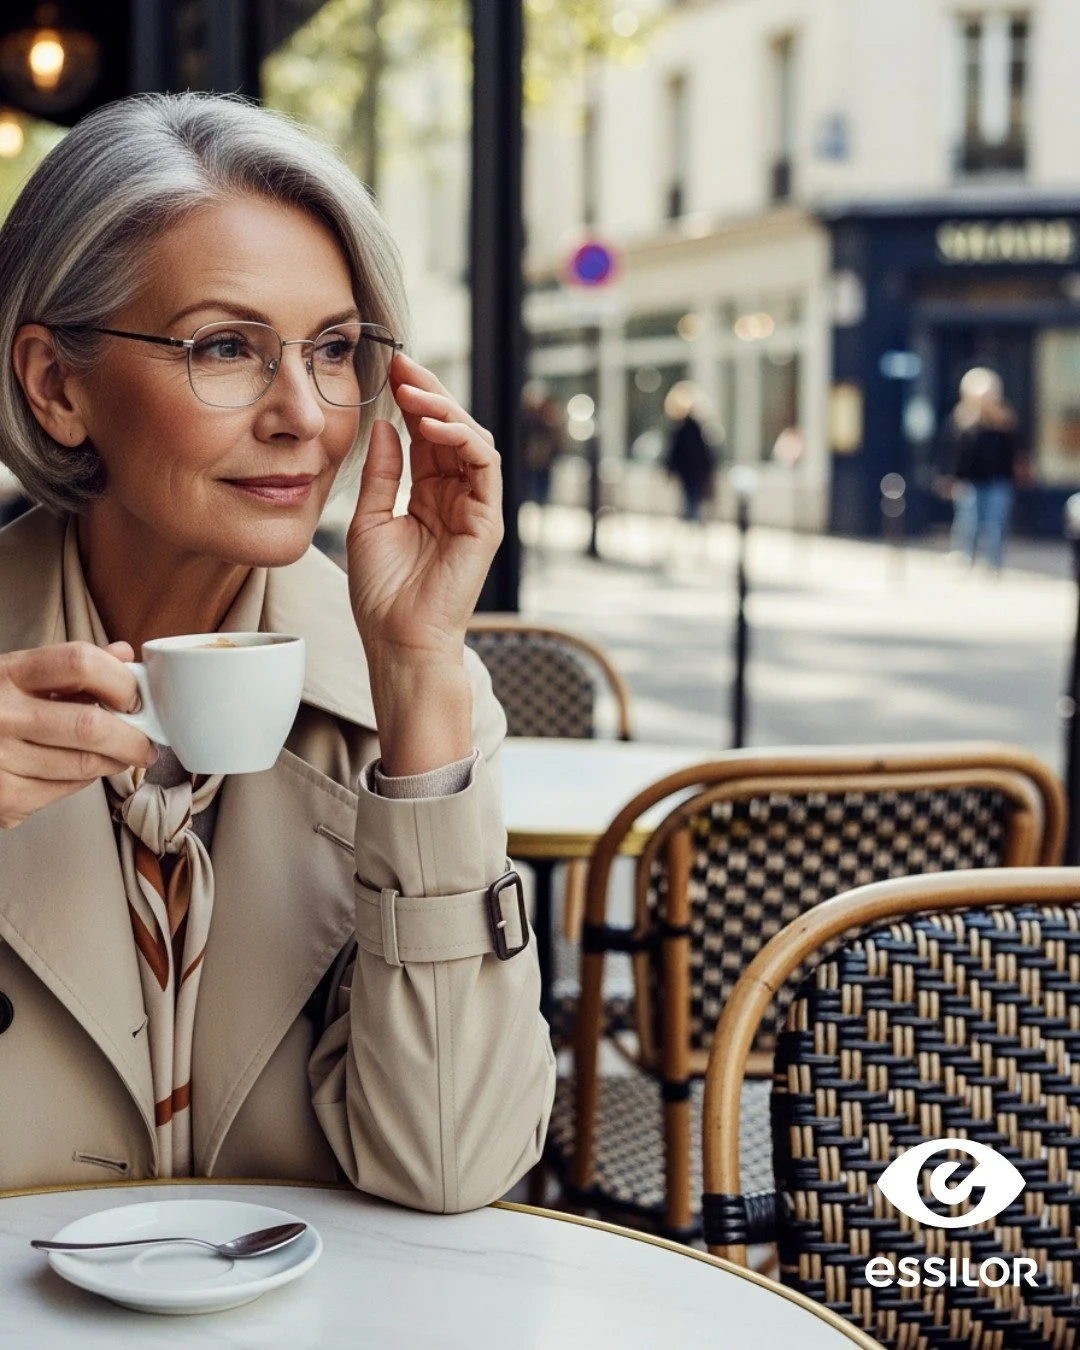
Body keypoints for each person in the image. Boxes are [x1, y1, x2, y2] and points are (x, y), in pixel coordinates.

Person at [0, 93, 554, 1203]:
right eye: (226, 347)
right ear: (58, 386)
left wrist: (416, 682)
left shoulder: (415, 690)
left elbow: (449, 1164)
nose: (305, 413)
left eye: (337, 350)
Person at [939, 367, 1025, 571]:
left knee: (995, 523)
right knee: (967, 522)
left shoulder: (1004, 419)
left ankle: (993, 562)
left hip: (999, 479)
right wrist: (949, 477)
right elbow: (952, 450)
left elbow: (1016, 448)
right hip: (970, 480)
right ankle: (964, 557)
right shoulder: (962, 418)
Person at [663, 383, 717, 523]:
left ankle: (692, 519)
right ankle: (693, 519)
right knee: (692, 496)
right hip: (692, 471)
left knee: (691, 496)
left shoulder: (688, 428)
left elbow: (676, 451)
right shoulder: (691, 428)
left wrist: (670, 469)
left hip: (690, 471)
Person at [521, 383, 564, 508]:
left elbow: (556, 442)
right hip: (533, 461)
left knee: (541, 490)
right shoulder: (532, 419)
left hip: (544, 461)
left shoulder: (550, 421)